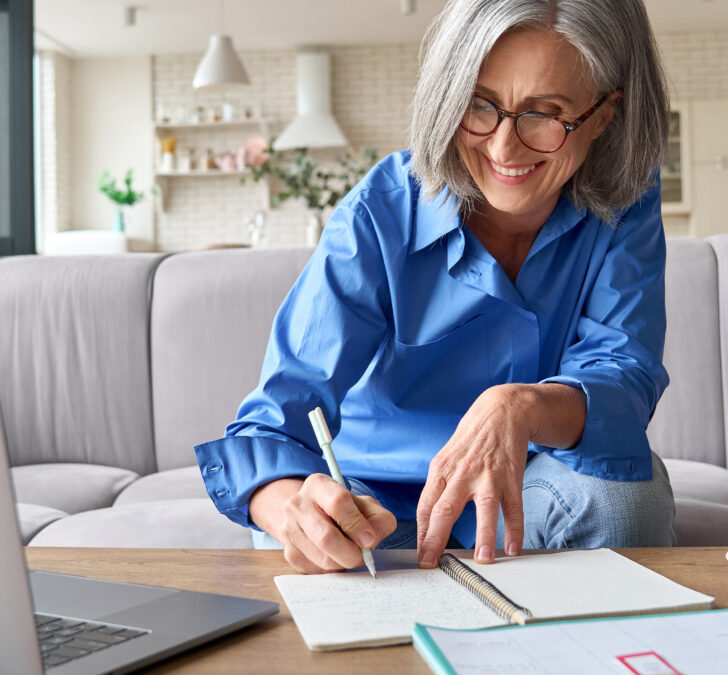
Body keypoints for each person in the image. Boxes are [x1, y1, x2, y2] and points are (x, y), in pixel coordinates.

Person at [195, 0, 675, 574]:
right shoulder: (380, 212)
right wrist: (290, 508)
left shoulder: (626, 201)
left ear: (603, 116)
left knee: (627, 496)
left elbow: (622, 375)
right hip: (378, 510)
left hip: (528, 493)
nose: (503, 148)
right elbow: (276, 420)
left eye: (545, 115)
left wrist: (519, 406)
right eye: (480, 105)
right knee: (298, 537)